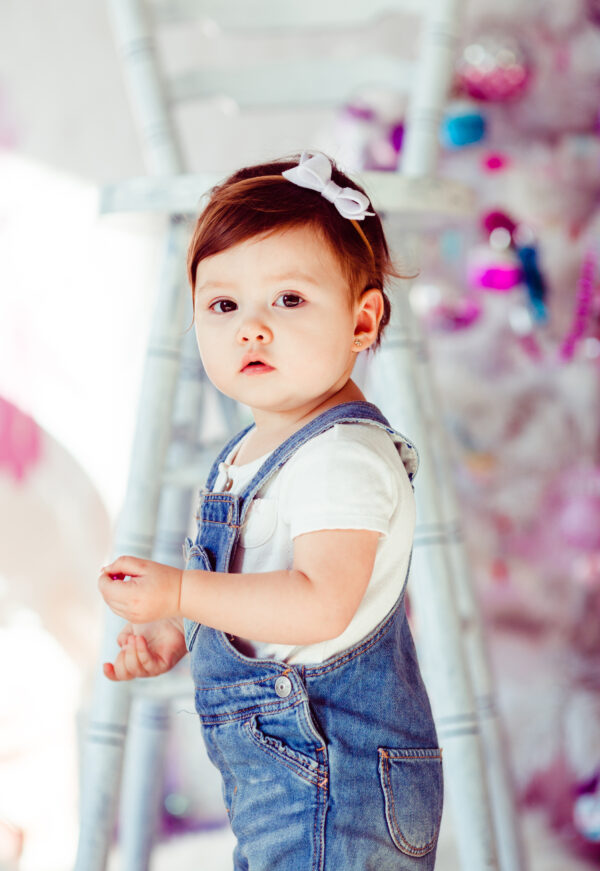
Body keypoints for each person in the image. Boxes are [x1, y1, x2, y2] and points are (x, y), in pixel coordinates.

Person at [99, 151, 443, 870]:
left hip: (338, 780)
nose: (251, 328)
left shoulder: (341, 455)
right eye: (224, 305)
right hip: (291, 776)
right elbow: (262, 587)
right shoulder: (253, 450)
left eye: (288, 299)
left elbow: (318, 603)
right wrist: (183, 628)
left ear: (362, 320)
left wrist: (183, 590)